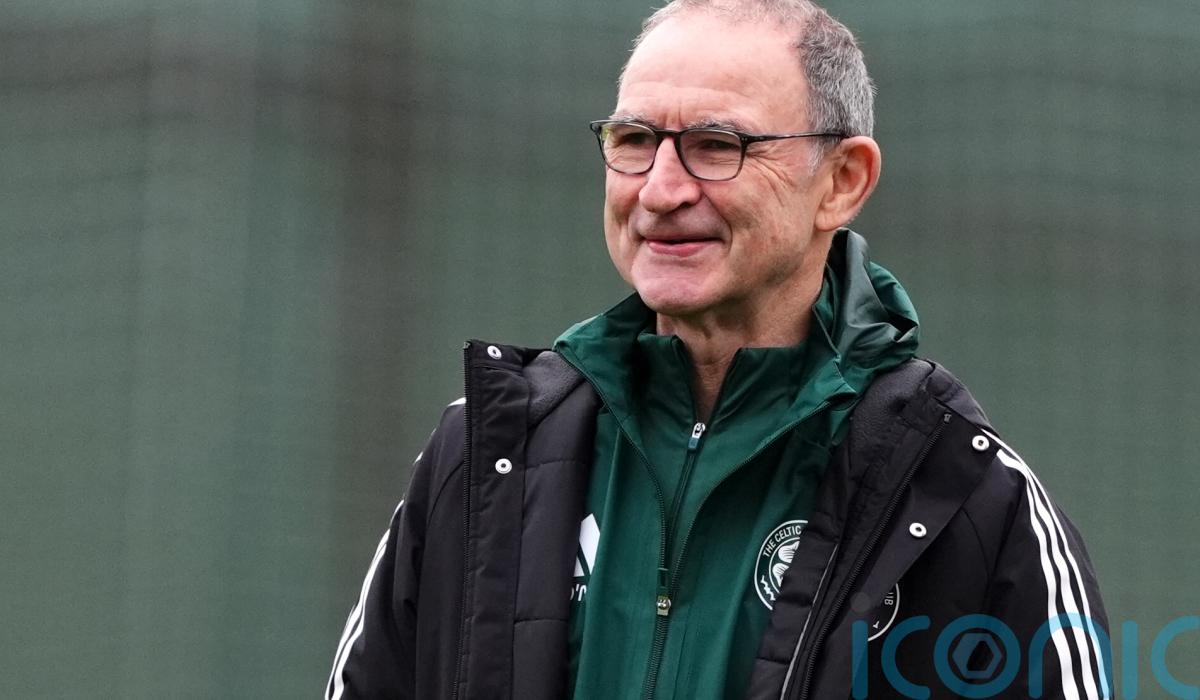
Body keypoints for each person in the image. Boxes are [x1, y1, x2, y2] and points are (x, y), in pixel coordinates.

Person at [327, 1, 1110, 698]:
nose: (660, 190)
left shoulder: (966, 496)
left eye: (716, 144)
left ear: (842, 181)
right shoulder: (486, 453)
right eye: (635, 139)